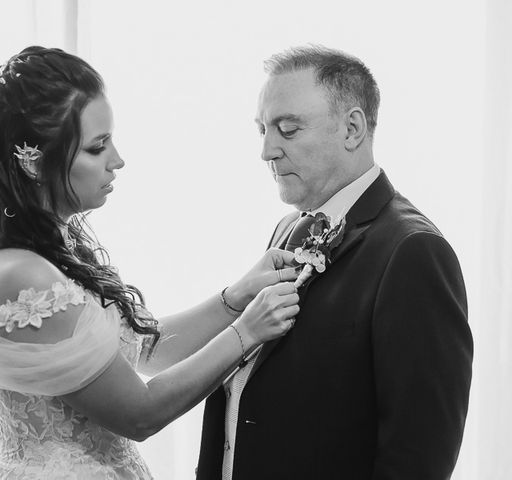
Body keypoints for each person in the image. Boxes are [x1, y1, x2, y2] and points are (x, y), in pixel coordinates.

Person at [0, 46, 302, 479]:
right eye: (98, 147)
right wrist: (246, 332)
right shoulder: (22, 273)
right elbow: (140, 414)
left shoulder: (47, 247)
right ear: (36, 161)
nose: (117, 161)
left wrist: (235, 296)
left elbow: (145, 350)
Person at [197, 45, 474, 480]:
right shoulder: (288, 230)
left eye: (287, 129)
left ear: (352, 129)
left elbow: (418, 455)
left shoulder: (414, 252)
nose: (267, 151)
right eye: (263, 130)